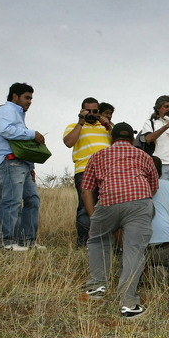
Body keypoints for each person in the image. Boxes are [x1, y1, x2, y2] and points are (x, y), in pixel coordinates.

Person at [81, 122, 159, 318]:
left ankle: (97, 287)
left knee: (97, 240)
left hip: (108, 201)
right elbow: (153, 186)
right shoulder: (143, 155)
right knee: (134, 250)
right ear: (132, 140)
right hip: (139, 201)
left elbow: (86, 190)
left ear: (111, 138)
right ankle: (128, 303)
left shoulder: (98, 156)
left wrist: (94, 220)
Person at [0, 82, 45, 251]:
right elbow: (5, 130)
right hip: (9, 162)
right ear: (15, 96)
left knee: (32, 200)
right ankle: (5, 242)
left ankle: (27, 242)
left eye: (31, 98)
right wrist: (32, 134)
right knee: (11, 201)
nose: (29, 101)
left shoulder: (18, 115)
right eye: (26, 97)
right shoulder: (5, 110)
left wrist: (31, 167)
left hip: (21, 164)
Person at [63, 97, 112, 248]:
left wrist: (108, 125)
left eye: (95, 111)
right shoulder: (74, 125)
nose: (92, 114)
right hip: (84, 171)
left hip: (107, 172)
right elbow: (68, 142)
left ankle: (105, 242)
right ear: (82, 111)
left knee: (108, 206)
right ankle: (83, 243)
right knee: (85, 207)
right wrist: (81, 121)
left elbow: (123, 142)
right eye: (88, 111)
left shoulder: (105, 126)